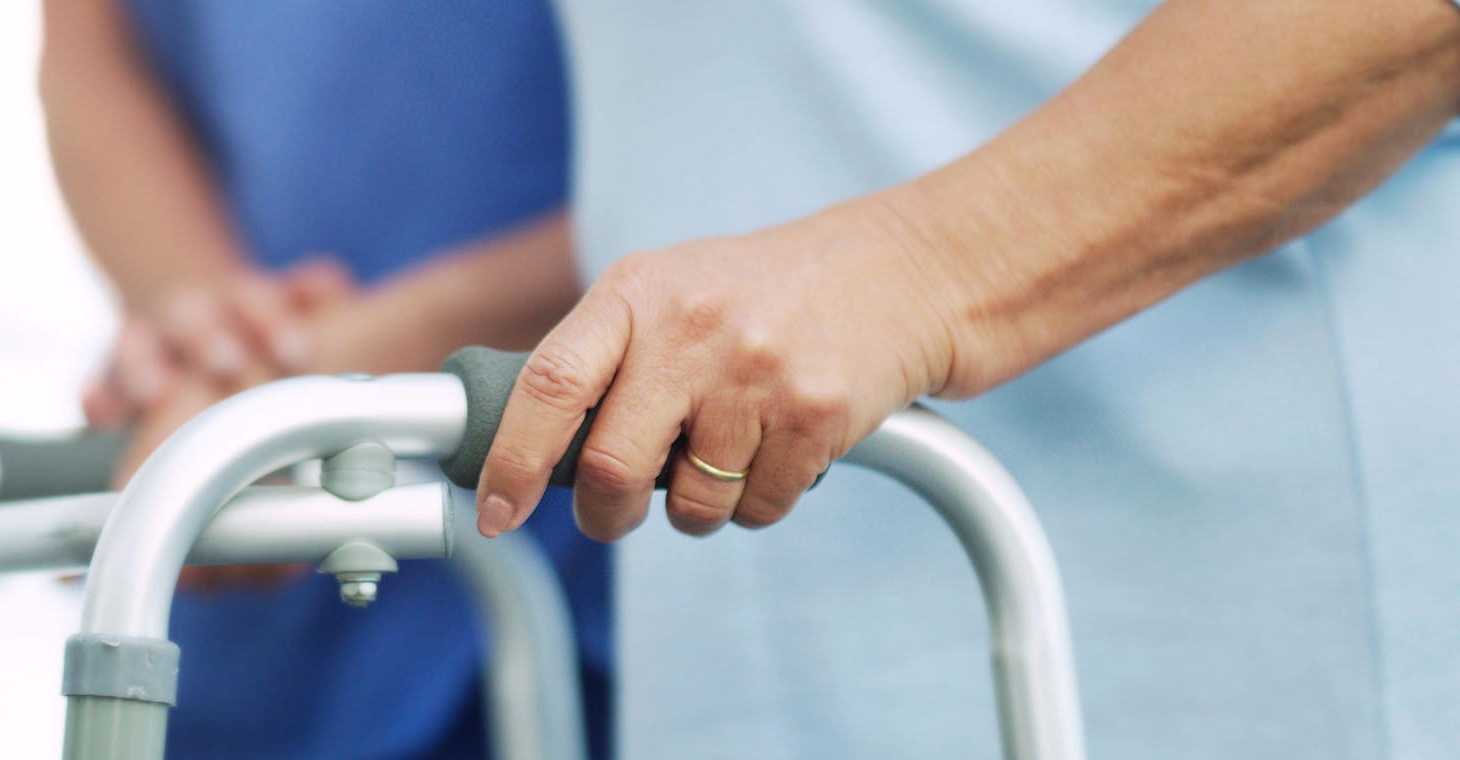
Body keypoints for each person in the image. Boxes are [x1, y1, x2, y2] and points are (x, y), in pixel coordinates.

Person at [470, 0, 1460, 756]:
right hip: (770, 630)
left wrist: (918, 265)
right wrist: (413, 335)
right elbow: (798, 111)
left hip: (1228, 605)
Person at [38, 0, 611, 757]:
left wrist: (362, 351)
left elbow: (741, 141)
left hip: (596, 533)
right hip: (256, 560)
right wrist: (221, 334)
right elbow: (92, 51)